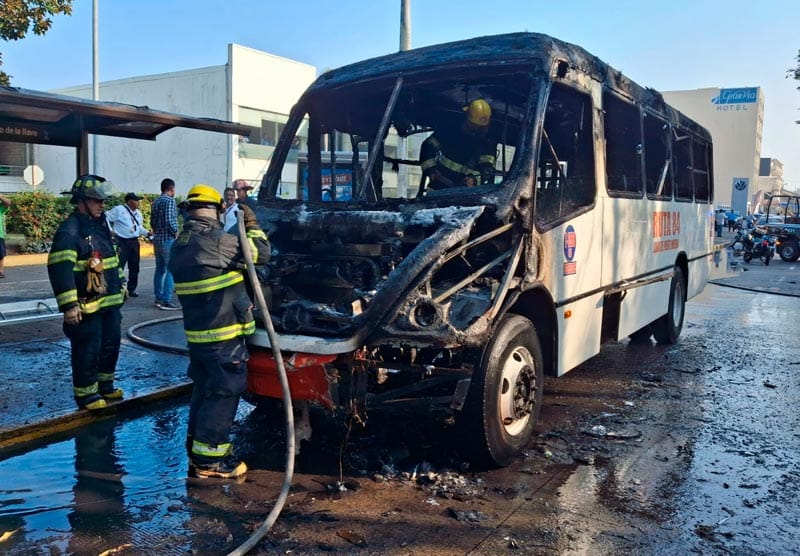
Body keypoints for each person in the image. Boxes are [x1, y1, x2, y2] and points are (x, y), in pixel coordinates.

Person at [169, 184, 270, 479]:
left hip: (198, 335)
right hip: (223, 335)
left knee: (204, 391)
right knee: (224, 392)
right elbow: (262, 253)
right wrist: (252, 225)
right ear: (218, 209)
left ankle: (197, 452)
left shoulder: (180, 244)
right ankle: (210, 462)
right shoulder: (218, 242)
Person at [47, 175, 125, 411]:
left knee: (110, 345)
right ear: (81, 202)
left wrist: (121, 283)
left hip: (109, 304)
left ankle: (105, 386)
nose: (102, 205)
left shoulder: (99, 226)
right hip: (87, 307)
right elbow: (60, 269)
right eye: (96, 201)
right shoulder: (70, 231)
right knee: (88, 349)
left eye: (103, 201)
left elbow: (112, 259)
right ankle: (87, 395)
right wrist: (69, 306)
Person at [418, 98, 497, 195]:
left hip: (463, 195)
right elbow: (428, 145)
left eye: (483, 127)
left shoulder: (486, 142)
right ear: (468, 120)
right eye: (476, 126)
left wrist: (474, 179)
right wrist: (431, 170)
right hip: (438, 190)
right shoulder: (450, 130)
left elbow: (487, 168)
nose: (480, 130)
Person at [106, 192, 150, 297]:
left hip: (134, 241)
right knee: (119, 265)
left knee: (134, 266)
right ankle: (116, 288)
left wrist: (147, 233)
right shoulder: (119, 210)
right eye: (136, 200)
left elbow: (138, 227)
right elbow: (106, 217)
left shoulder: (138, 213)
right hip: (122, 241)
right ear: (129, 201)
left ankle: (131, 289)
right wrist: (109, 230)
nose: (138, 202)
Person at [150, 178, 180, 310]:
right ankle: (166, 299)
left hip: (157, 238)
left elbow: (152, 221)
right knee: (171, 269)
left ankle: (158, 297)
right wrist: (175, 231)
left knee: (159, 269)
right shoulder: (170, 201)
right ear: (172, 189)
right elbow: (169, 220)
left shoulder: (156, 202)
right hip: (168, 239)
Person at [0, 193, 10, 278]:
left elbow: (8, 202)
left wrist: (0, 196)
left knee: (0, 254)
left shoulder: (0, 207)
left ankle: (0, 271)